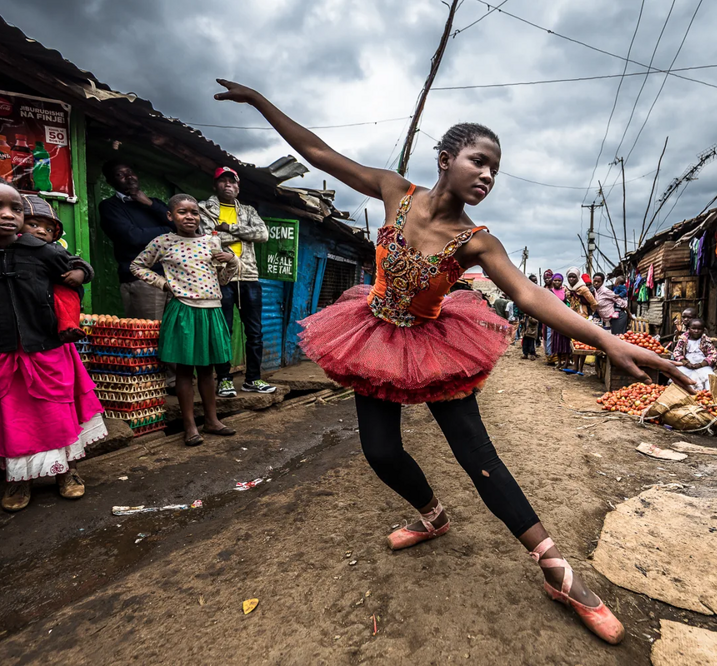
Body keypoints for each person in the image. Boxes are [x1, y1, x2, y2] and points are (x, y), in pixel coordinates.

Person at [214, 78, 692, 645]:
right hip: (372, 336)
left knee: (478, 455)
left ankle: (558, 572)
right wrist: (261, 102)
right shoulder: (394, 191)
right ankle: (432, 515)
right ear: (446, 160)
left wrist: (609, 341)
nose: (488, 175)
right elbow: (319, 153)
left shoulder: (477, 241)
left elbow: (531, 296)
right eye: (479, 161)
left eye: (495, 169)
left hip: (436, 347)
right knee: (381, 451)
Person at [0, 176, 105, 511]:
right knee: (11, 419)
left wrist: (81, 275)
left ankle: (66, 472)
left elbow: (75, 267)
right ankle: (18, 480)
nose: (8, 215)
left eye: (15, 209)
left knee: (56, 414)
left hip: (46, 348)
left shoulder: (39, 250)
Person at [130, 194, 240, 447]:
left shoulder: (212, 241)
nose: (189, 217)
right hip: (183, 310)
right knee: (184, 370)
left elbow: (223, 280)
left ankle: (212, 420)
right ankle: (190, 425)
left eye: (194, 212)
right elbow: (137, 266)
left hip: (211, 309)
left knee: (207, 369)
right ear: (170, 216)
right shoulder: (163, 242)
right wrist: (164, 284)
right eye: (182, 212)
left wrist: (231, 261)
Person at [0, 194, 92, 347]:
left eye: (49, 230)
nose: (42, 231)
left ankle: (68, 326)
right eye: (33, 225)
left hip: (40, 316)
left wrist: (80, 272)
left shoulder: (52, 250)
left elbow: (75, 262)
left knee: (66, 293)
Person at [198, 166, 277, 397]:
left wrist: (228, 227)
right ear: (216, 185)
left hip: (249, 277)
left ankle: (253, 379)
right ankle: (224, 379)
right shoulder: (204, 209)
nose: (228, 185)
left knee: (254, 332)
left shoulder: (249, 210)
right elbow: (206, 238)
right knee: (224, 331)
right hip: (220, 277)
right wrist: (241, 233)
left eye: (232, 182)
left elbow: (263, 235)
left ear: (238, 186)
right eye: (223, 181)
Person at [98, 161, 173, 319]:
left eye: (130, 172)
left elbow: (179, 225)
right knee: (147, 335)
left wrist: (149, 203)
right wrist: (169, 231)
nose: (128, 176)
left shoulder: (154, 203)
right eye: (120, 174)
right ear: (111, 182)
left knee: (174, 335)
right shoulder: (110, 207)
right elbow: (133, 237)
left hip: (173, 278)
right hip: (142, 280)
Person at [564, 267, 598, 376]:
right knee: (574, 343)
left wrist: (590, 313)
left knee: (582, 343)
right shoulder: (568, 289)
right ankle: (575, 366)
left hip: (583, 317)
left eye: (574, 277)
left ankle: (581, 368)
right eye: (570, 277)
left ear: (578, 277)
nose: (571, 279)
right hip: (573, 316)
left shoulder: (583, 289)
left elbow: (594, 303)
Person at [672, 318, 717, 392]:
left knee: (709, 376)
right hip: (686, 366)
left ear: (703, 330)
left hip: (702, 366)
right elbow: (677, 353)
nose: (696, 331)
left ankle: (707, 395)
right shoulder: (683, 339)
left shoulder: (706, 340)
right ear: (689, 329)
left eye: (699, 329)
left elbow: (713, 355)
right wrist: (686, 363)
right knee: (678, 375)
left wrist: (701, 364)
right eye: (694, 328)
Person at [546, 273, 572, 369]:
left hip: (564, 319)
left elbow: (568, 304)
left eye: (559, 280)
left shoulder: (565, 292)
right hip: (554, 319)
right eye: (555, 280)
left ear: (562, 282)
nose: (557, 282)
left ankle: (566, 362)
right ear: (552, 281)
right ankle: (559, 362)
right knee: (556, 340)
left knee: (565, 340)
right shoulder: (549, 292)